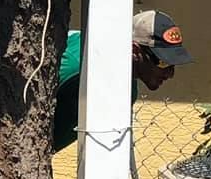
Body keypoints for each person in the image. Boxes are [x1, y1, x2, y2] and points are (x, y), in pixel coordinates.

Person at [51, 9, 190, 152]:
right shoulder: (74, 66)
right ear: (135, 51)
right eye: (163, 62)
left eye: (173, 63)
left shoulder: (127, 89)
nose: (170, 74)